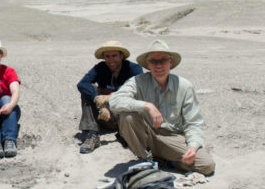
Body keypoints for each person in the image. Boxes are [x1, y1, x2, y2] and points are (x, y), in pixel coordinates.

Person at [109, 39, 215, 175]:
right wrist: (146, 106)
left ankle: (165, 160)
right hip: (147, 134)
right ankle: (144, 160)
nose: (158, 65)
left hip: (173, 137)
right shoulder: (138, 82)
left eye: (163, 60)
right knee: (127, 116)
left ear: (170, 62)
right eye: (153, 61)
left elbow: (193, 122)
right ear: (148, 64)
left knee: (206, 165)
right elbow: (115, 102)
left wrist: (193, 147)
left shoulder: (184, 86)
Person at [76, 41, 143, 153]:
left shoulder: (133, 69)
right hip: (104, 116)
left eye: (114, 55)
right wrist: (99, 101)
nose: (111, 59)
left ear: (121, 55)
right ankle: (92, 133)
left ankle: (125, 133)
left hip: (126, 115)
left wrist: (109, 98)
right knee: (88, 90)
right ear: (103, 57)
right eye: (107, 56)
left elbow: (138, 90)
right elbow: (82, 84)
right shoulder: (100, 68)